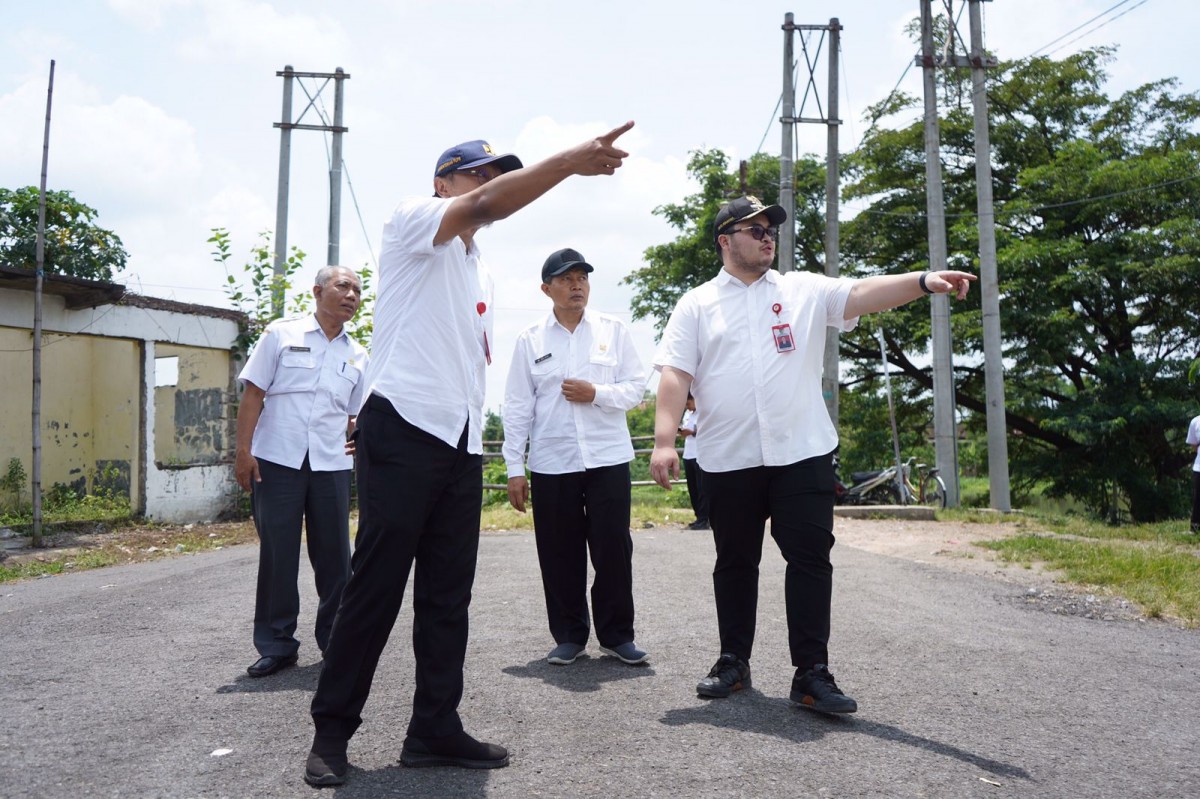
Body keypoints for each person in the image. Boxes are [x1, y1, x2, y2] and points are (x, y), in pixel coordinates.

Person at [304, 124, 635, 787]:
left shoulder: (477, 264)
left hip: (457, 443)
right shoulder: (413, 223)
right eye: (475, 172)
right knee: (375, 588)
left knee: (447, 596)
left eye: (493, 173)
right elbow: (484, 208)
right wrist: (570, 161)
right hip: (401, 425)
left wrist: (482, 449)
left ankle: (434, 726)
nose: (486, 183)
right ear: (442, 184)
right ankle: (332, 732)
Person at [648, 195, 975, 715]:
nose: (766, 235)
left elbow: (862, 292)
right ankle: (733, 661)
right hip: (727, 457)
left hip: (801, 452)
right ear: (724, 241)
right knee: (734, 561)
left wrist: (922, 281)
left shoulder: (803, 289)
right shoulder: (696, 304)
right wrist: (665, 441)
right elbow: (675, 374)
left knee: (809, 560)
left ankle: (811, 673)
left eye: (770, 228)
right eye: (752, 229)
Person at [502, 247, 648, 668]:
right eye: (566, 279)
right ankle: (569, 635)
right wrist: (515, 467)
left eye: (582, 276)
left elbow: (636, 387)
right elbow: (516, 407)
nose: (577, 284)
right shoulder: (530, 339)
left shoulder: (613, 330)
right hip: (552, 461)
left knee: (613, 549)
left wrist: (596, 394)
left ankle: (618, 636)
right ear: (547, 289)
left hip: (607, 458)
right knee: (559, 551)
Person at [234, 265, 368, 679]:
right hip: (276, 461)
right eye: (342, 286)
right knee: (279, 555)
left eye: (358, 290)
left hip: (330, 465)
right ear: (317, 291)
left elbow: (359, 415)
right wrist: (243, 451)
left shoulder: (359, 354)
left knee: (336, 559)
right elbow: (253, 393)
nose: (351, 295)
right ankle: (277, 645)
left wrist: (359, 439)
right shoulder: (281, 334)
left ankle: (336, 641)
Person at [679, 393, 709, 530]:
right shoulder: (687, 414)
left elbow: (704, 429)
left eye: (689, 404)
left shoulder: (703, 411)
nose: (688, 407)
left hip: (700, 454)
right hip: (688, 454)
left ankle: (705, 518)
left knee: (702, 487)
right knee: (693, 488)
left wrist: (692, 432)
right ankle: (698, 516)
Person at [1187, 412, 1200, 534]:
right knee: (1198, 498)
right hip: (1199, 466)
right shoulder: (1196, 422)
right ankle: (1195, 526)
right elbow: (1194, 445)